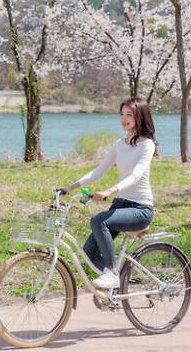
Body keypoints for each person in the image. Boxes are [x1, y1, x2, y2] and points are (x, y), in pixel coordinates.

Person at [60, 96, 156, 289]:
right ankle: (118, 283)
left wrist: (110, 189)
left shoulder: (147, 145)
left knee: (98, 220)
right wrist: (69, 188)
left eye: (130, 114)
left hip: (140, 208)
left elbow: (136, 175)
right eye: (122, 114)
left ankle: (111, 272)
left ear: (140, 116)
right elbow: (98, 171)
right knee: (88, 252)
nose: (124, 118)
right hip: (120, 205)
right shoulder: (119, 144)